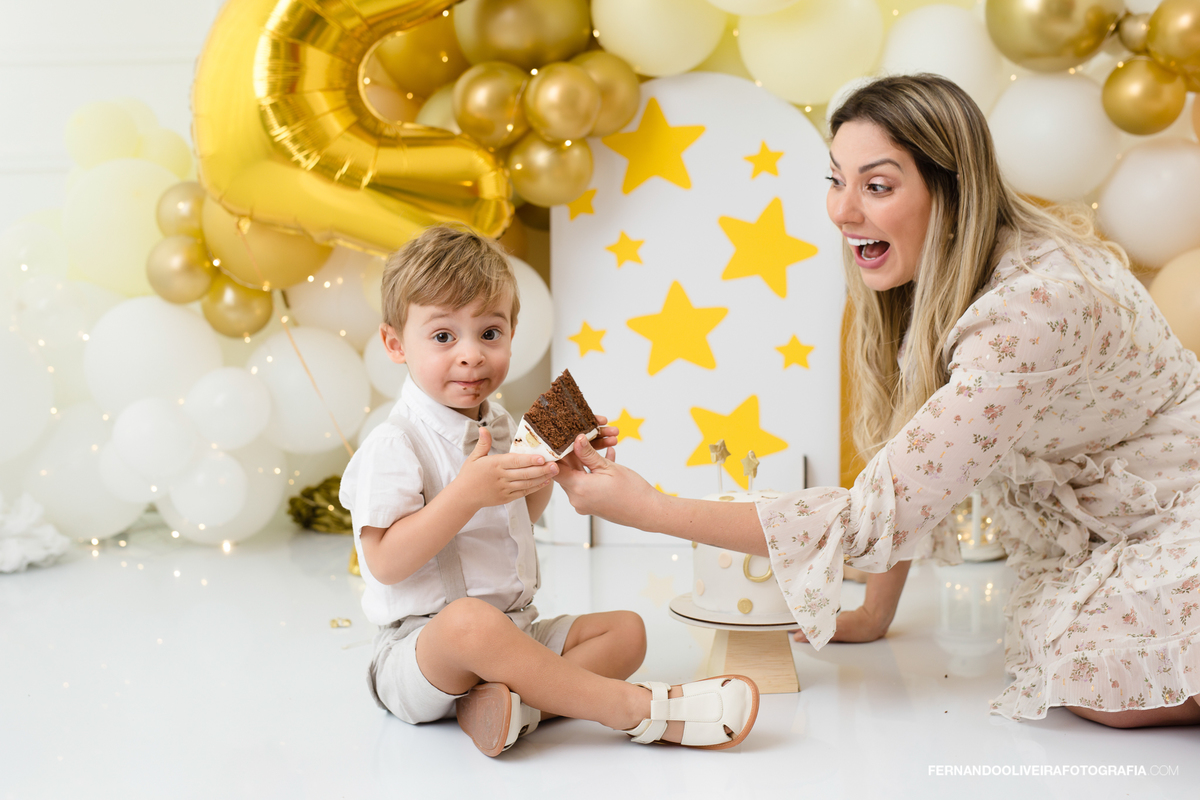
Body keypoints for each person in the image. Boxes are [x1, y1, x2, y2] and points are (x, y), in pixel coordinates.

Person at [554, 74, 1200, 729]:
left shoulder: (1031, 312)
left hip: (1179, 511)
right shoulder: (930, 277)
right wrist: (873, 613)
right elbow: (911, 454)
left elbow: (872, 517)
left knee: (1106, 685)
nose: (842, 210)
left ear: (952, 192)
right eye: (836, 179)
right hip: (1098, 536)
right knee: (1073, 661)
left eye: (878, 185)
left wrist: (651, 509)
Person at [339, 224, 759, 756]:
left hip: (516, 633)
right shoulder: (394, 444)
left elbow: (520, 514)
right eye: (444, 336)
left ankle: (513, 708)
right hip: (424, 654)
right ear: (395, 344)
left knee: (627, 632)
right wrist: (465, 493)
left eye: (489, 333)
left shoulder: (499, 425)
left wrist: (554, 469)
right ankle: (634, 709)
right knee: (470, 621)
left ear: (512, 334)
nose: (470, 355)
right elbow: (383, 563)